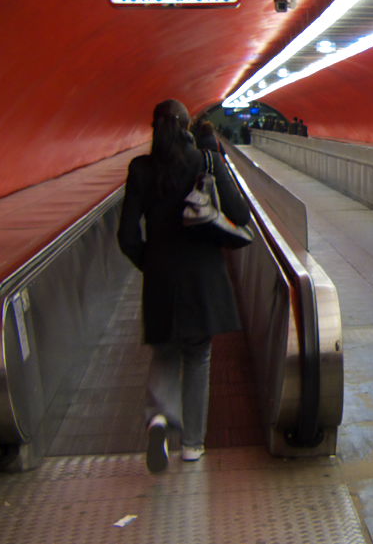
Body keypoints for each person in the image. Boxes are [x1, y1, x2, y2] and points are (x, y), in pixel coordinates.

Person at [116, 99, 250, 473]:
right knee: (197, 356)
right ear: (187, 125)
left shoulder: (140, 168)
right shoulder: (205, 162)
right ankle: (192, 444)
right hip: (202, 275)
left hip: (161, 275)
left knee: (164, 351)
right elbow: (240, 214)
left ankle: (158, 418)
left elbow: (127, 235)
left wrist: (150, 264)